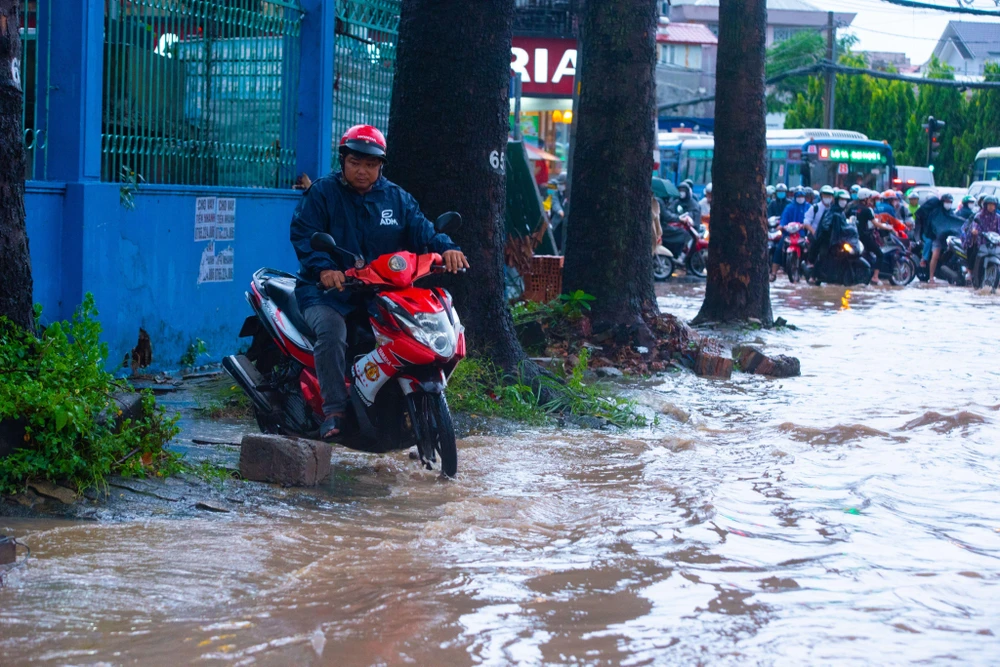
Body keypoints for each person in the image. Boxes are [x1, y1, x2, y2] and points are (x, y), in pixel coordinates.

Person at [290, 125, 469, 440]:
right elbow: (305, 234)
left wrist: (448, 249)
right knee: (332, 332)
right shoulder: (322, 193)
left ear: (380, 166)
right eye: (356, 163)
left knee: (409, 334)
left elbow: (425, 232)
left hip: (381, 293)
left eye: (371, 165)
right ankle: (334, 410)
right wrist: (325, 269)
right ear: (343, 160)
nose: (363, 171)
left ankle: (392, 404)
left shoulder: (396, 198)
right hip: (328, 293)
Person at [922, 193, 966, 284]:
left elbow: (955, 222)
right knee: (936, 255)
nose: (948, 203)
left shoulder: (951, 213)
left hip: (949, 238)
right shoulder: (936, 213)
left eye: (950, 202)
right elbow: (935, 225)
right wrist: (940, 232)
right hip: (937, 238)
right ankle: (931, 277)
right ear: (942, 202)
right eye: (946, 202)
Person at [770, 186, 810, 280]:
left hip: (803, 234)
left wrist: (806, 226)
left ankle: (812, 272)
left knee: (811, 250)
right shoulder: (789, 207)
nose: (800, 197)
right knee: (779, 249)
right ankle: (773, 273)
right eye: (798, 195)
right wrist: (781, 226)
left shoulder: (809, 207)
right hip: (789, 234)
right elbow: (784, 220)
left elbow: (811, 220)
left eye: (802, 195)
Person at [963, 195, 1000, 275]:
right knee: (975, 251)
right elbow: (975, 226)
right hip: (981, 240)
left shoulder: (998, 217)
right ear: (985, 205)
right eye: (989, 204)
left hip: (994, 241)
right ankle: (969, 271)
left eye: (993, 205)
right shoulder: (979, 216)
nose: (991, 207)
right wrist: (975, 231)